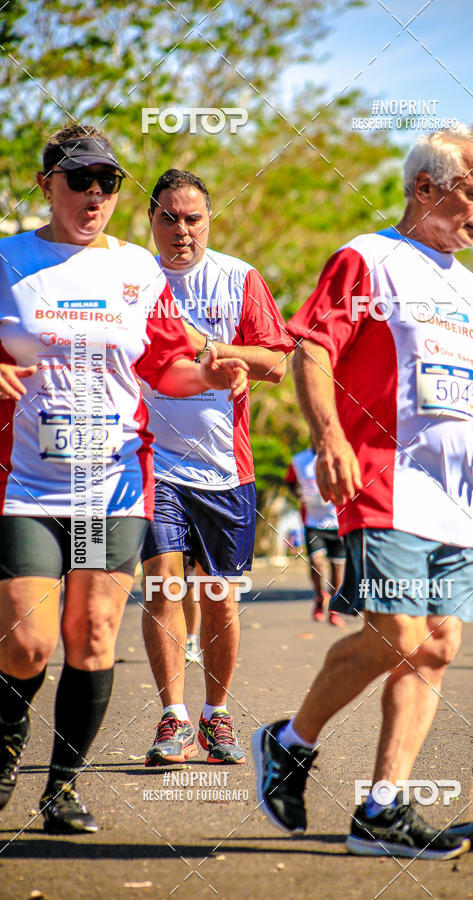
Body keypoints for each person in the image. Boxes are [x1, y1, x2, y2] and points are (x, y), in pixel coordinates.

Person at [253, 123, 473, 858]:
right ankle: (291, 743)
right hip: (381, 479)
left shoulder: (470, 285)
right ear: (426, 188)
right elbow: (312, 348)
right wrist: (328, 437)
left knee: (437, 647)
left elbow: (470, 385)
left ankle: (383, 808)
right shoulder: (367, 260)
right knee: (394, 634)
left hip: (456, 495)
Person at [0, 125, 247, 835]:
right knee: (27, 643)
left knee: (96, 634)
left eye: (108, 182)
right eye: (79, 180)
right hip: (24, 481)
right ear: (47, 183)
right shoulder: (10, 259)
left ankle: (62, 789)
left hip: (112, 481)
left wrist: (209, 372)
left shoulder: (137, 270)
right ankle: (5, 748)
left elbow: (166, 363)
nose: (95, 195)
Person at [141, 170, 293, 767]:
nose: (182, 230)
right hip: (150, 459)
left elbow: (277, 363)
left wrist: (206, 348)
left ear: (210, 219)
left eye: (193, 218)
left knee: (220, 598)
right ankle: (173, 717)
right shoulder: (131, 279)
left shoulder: (238, 278)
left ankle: (216, 715)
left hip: (226, 466)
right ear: (150, 220)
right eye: (169, 218)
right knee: (162, 586)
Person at [285, 447, 345, 625]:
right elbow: (289, 482)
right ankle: (319, 597)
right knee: (317, 563)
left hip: (338, 521)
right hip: (313, 522)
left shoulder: (340, 455)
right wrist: (298, 494)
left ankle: (334, 607)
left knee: (337, 568)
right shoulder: (299, 460)